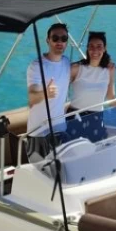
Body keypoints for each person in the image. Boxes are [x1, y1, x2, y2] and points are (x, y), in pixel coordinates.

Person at [25, 23, 72, 161]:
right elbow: (32, 98)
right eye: (55, 38)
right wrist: (45, 93)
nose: (59, 42)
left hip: (60, 130)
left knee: (62, 170)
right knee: (39, 171)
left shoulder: (66, 62)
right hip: (38, 133)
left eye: (63, 38)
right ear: (48, 40)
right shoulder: (36, 66)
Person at [66, 31, 116, 142]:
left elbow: (111, 99)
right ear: (87, 48)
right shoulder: (76, 68)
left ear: (104, 48)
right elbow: (59, 92)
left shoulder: (110, 70)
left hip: (96, 119)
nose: (95, 50)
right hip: (75, 117)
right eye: (91, 46)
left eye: (99, 46)